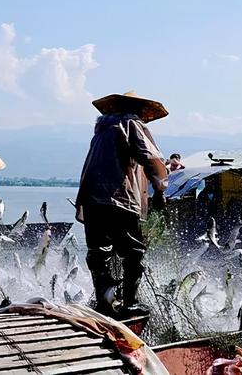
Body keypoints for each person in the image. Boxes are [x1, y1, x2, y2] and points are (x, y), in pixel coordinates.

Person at [75, 91, 169, 319]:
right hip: (119, 196)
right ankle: (129, 303)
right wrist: (160, 188)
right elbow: (150, 157)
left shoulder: (102, 130)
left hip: (91, 198)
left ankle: (105, 298)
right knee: (134, 250)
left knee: (98, 250)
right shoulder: (131, 123)